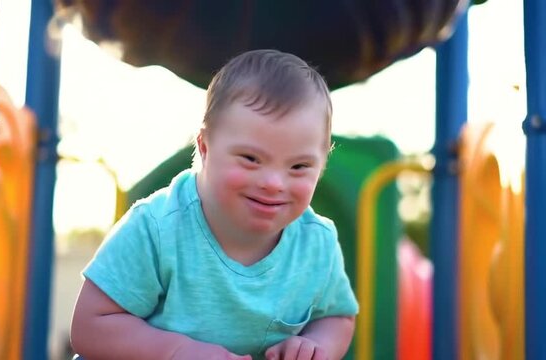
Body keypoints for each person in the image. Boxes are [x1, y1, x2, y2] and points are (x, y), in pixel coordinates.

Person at [70, 49, 359, 360]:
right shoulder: (157, 228)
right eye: (251, 159)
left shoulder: (316, 243)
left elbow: (337, 317)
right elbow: (89, 326)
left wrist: (316, 346)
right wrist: (177, 351)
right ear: (205, 147)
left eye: (299, 167)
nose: (274, 183)